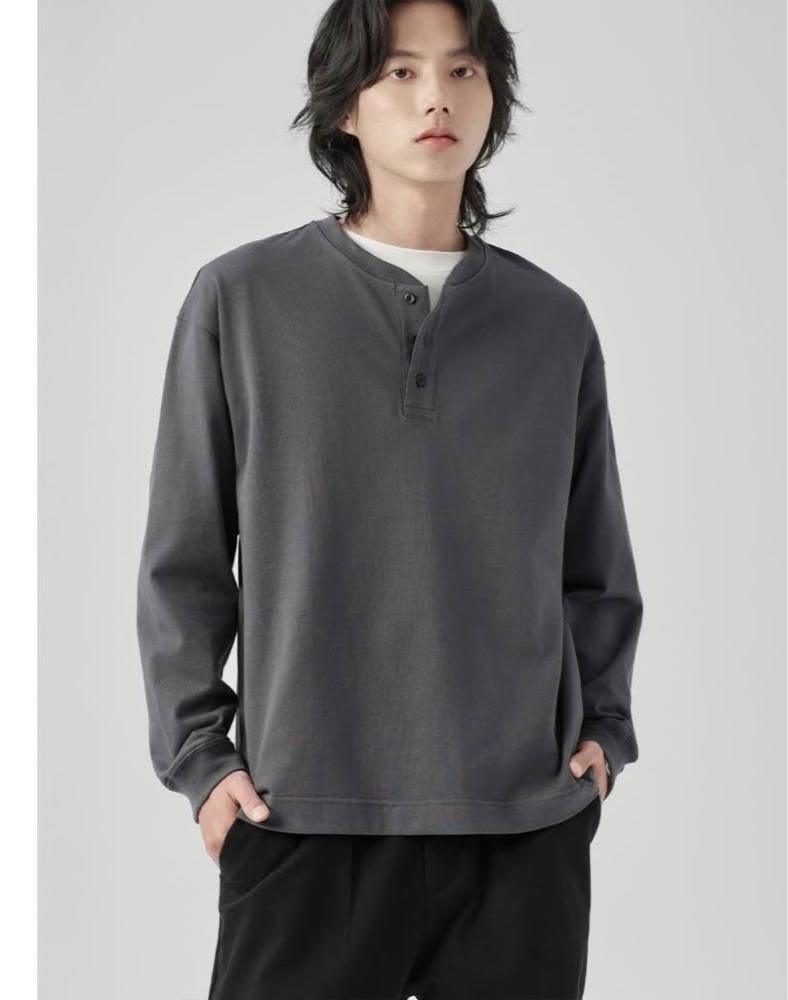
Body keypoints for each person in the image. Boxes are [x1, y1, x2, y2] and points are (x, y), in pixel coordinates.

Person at [136, 1, 644, 997]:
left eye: (462, 71)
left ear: (492, 97)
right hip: (300, 816)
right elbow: (183, 561)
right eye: (400, 72)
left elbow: (595, 563)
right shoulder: (241, 299)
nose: (435, 99)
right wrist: (203, 760)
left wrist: (605, 733)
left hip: (523, 829)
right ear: (344, 107)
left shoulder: (553, 323)